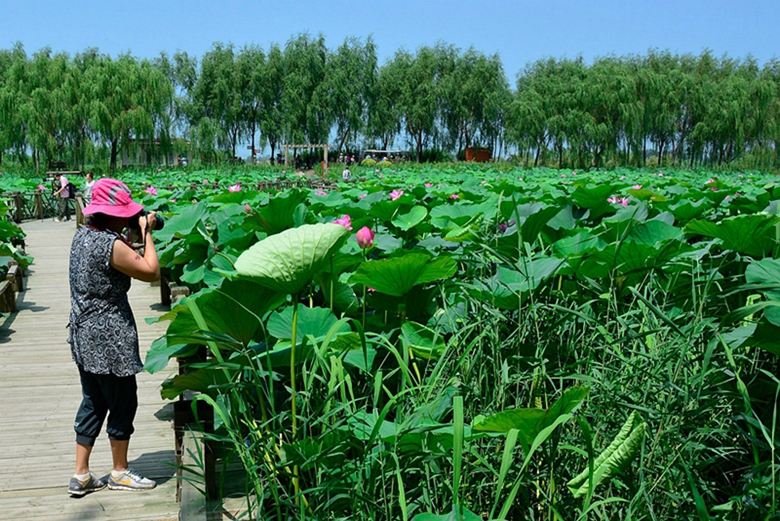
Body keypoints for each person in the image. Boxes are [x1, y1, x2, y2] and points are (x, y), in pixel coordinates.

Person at [67, 178, 160, 496]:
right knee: (123, 400)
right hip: (109, 337)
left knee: (93, 400)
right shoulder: (109, 244)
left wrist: (133, 233)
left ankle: (81, 475)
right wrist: (146, 232)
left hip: (82, 332)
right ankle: (119, 472)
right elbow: (151, 271)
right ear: (113, 214)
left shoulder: (82, 236)